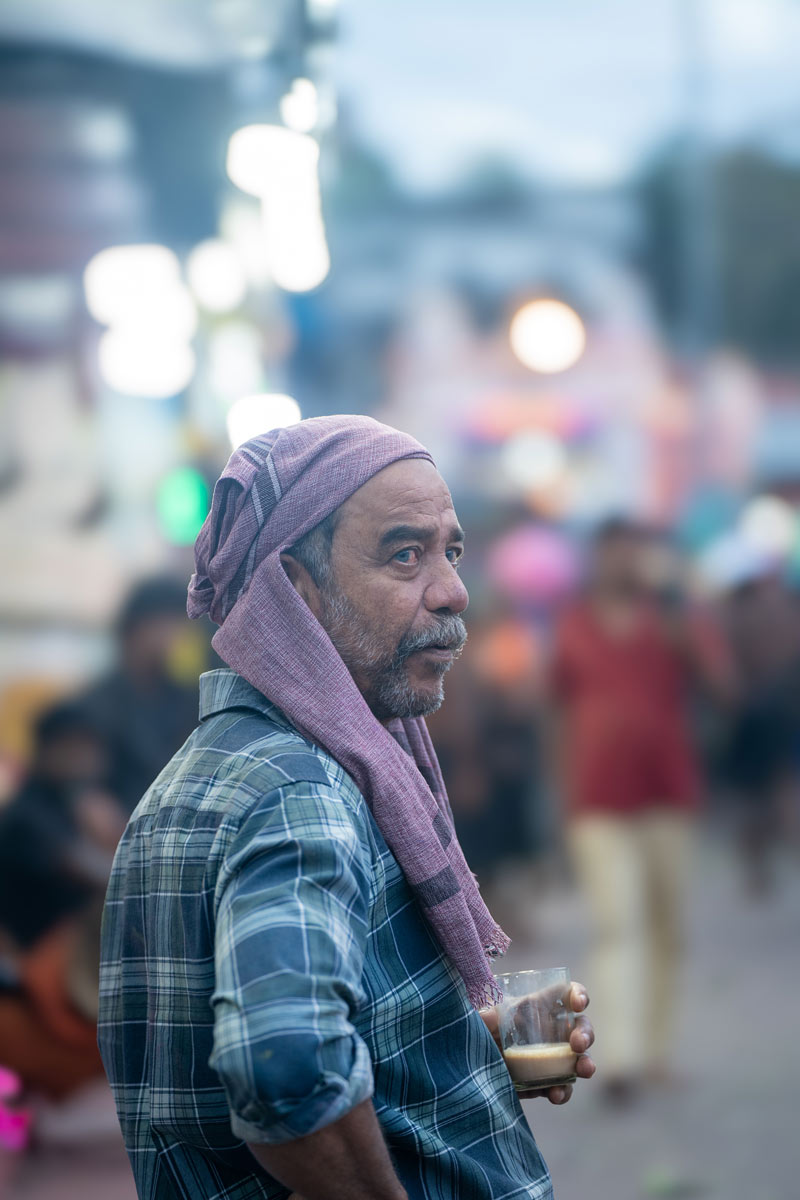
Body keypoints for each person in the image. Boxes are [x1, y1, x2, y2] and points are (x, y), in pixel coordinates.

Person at [98, 416, 595, 1200]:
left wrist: (465, 1049)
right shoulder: (299, 792)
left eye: (451, 551)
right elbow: (285, 1072)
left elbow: (290, 1051)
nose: (453, 590)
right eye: (405, 554)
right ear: (294, 592)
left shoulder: (223, 772)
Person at [548, 519, 733, 1103]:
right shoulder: (571, 622)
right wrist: (561, 789)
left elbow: (724, 689)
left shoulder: (676, 616)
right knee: (617, 924)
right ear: (597, 558)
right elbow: (553, 709)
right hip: (597, 798)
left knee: (665, 926)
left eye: (635, 552)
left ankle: (654, 1051)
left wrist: (681, 615)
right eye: (614, 552)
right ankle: (622, 1057)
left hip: (669, 794)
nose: (625, 563)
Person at [79, 575, 201, 813]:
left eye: (178, 624)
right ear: (134, 628)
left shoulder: (187, 700)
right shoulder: (95, 704)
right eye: (164, 624)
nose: (174, 636)